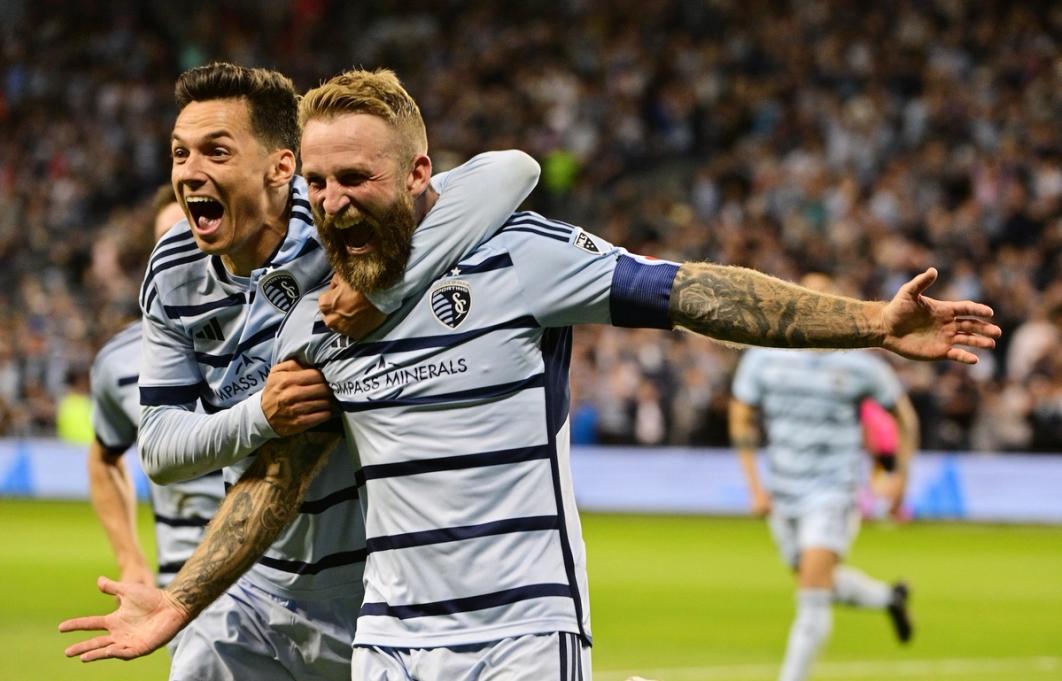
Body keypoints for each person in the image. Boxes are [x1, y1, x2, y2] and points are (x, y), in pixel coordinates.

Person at [60, 68, 1000, 680]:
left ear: (421, 174)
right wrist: (181, 600)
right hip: (387, 638)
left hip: (524, 632)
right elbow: (274, 485)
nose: (335, 202)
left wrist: (872, 322)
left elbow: (692, 292)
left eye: (359, 179)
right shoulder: (318, 319)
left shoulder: (521, 258)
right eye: (319, 183)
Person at [64, 62, 540, 681]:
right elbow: (158, 448)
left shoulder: (338, 216)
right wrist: (260, 414)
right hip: (251, 579)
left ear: (280, 168)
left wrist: (390, 287)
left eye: (216, 151)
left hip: (372, 585)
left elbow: (511, 171)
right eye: (179, 153)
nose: (189, 172)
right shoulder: (173, 268)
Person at [728, 273, 920, 681]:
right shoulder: (764, 357)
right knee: (818, 581)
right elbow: (741, 415)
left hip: (832, 490)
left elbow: (905, 417)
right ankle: (890, 598)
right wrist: (755, 487)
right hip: (783, 491)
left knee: (811, 596)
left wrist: (900, 477)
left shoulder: (860, 364)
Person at [88, 186, 225, 651]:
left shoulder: (274, 331)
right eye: (168, 238)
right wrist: (129, 558)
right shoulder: (120, 361)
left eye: (191, 233)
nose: (179, 249)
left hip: (294, 574)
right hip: (185, 595)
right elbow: (103, 457)